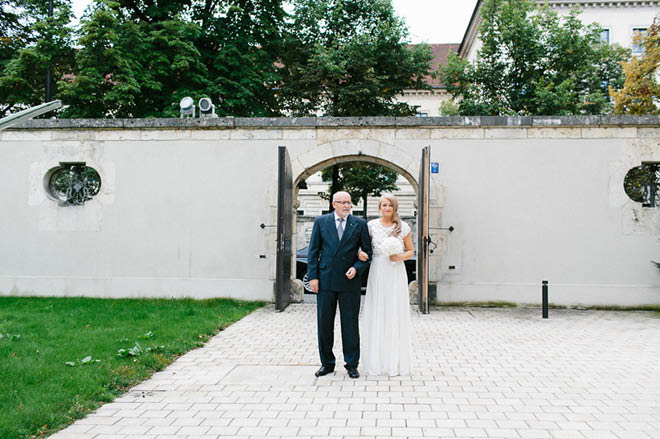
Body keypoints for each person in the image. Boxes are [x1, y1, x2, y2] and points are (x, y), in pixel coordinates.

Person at [307, 191, 372, 379]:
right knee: (324, 324)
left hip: (349, 281)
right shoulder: (321, 222)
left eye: (348, 203)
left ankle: (352, 364)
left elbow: (368, 253)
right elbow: (313, 251)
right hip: (326, 280)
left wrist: (357, 268)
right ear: (333, 204)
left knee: (350, 324)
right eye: (342, 202)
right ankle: (327, 364)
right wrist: (313, 277)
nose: (346, 206)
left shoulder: (359, 224)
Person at [360, 194, 414, 376]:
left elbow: (411, 251)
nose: (387, 208)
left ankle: (395, 361)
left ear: (395, 208)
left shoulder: (403, 227)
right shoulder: (371, 226)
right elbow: (364, 247)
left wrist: (399, 257)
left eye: (390, 205)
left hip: (395, 271)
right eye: (384, 205)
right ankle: (375, 361)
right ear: (379, 208)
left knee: (394, 312)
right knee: (377, 311)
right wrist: (360, 253)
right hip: (378, 270)